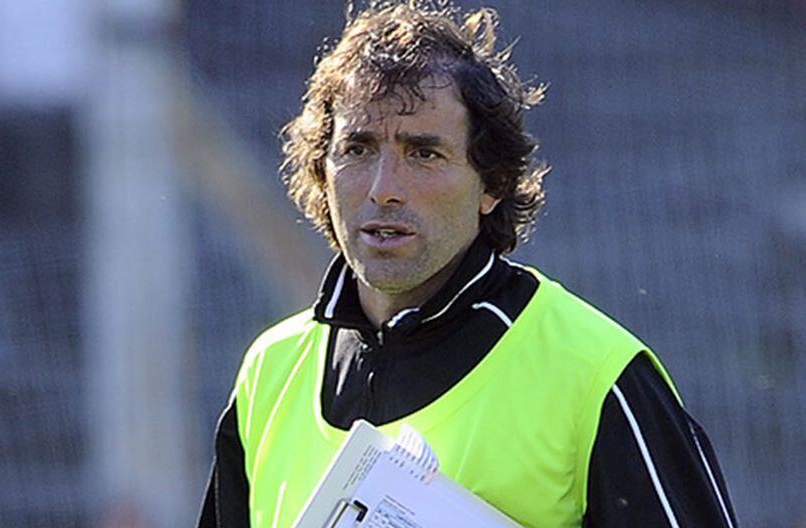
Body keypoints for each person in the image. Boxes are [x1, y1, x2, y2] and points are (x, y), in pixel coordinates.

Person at [198, 2, 738, 526]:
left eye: (424, 153)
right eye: (358, 149)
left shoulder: (597, 377)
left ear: (493, 184)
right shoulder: (269, 372)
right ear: (322, 170)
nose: (384, 188)